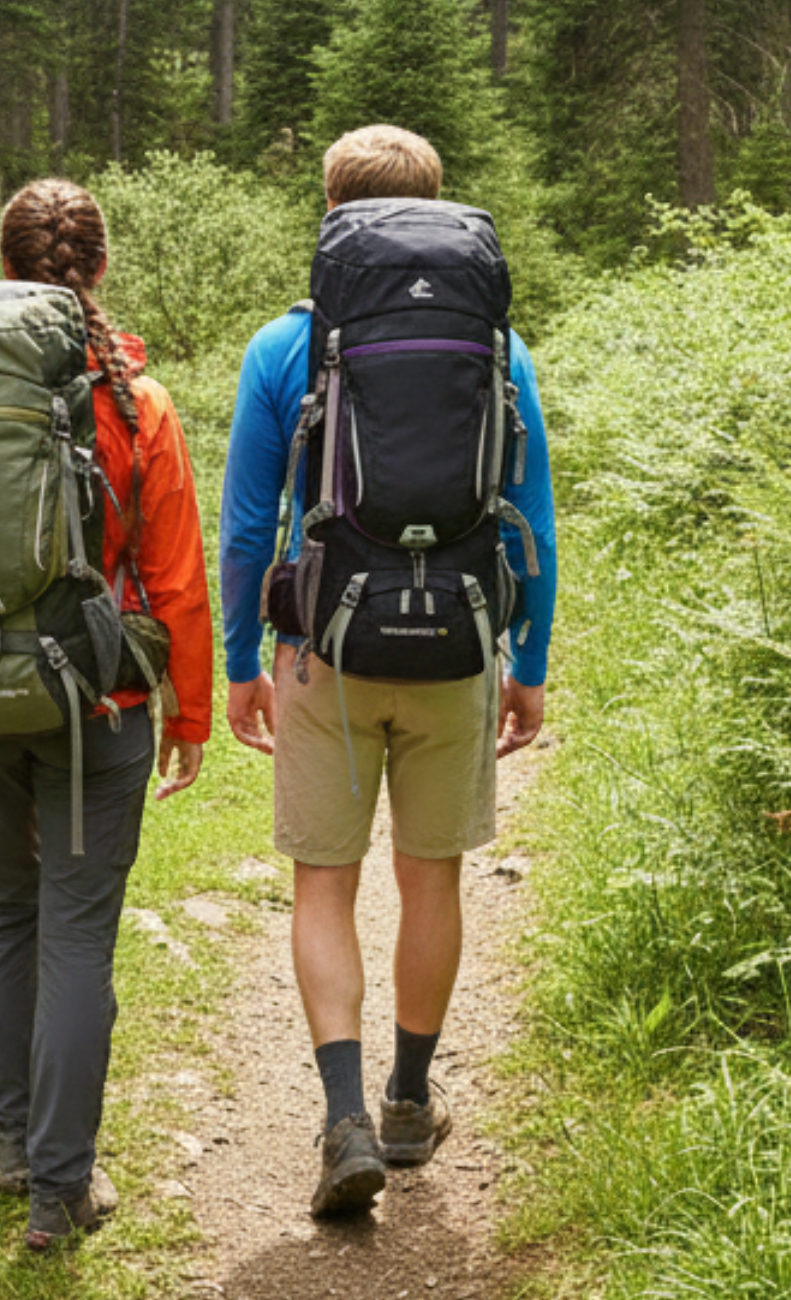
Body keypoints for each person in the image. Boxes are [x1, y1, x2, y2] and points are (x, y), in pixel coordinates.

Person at [219, 126, 557, 1216]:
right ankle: (410, 1101)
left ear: (331, 216)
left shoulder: (284, 347)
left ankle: (343, 1118)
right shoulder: (498, 348)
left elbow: (247, 526)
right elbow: (532, 517)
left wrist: (239, 659)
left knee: (324, 881)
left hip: (325, 647)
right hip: (458, 640)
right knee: (431, 874)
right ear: (437, 204)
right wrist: (529, 660)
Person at [0, 179, 213, 1249]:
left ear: (5, 269)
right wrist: (188, 715)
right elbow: (175, 577)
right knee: (77, 932)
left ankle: (16, 1149)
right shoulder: (135, 404)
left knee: (0, 912)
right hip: (98, 700)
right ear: (99, 269)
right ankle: (60, 1189)